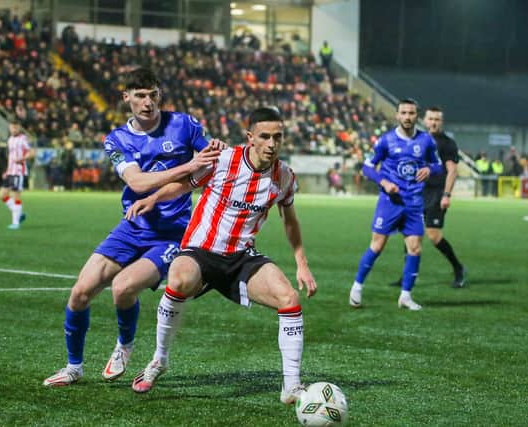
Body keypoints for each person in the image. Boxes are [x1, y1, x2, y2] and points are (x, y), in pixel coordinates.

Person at [43, 67, 224, 387]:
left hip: (174, 232)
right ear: (126, 97)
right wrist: (189, 165)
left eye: (153, 95)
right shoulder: (116, 139)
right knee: (80, 292)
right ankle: (73, 367)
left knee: (123, 288)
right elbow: (137, 181)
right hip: (132, 225)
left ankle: (124, 346)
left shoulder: (184, 124)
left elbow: (212, 159)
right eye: (140, 96)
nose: (148, 102)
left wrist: (214, 150)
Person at [126, 107, 317, 404]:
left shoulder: (284, 177)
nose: (271, 144)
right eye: (264, 137)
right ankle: (158, 360)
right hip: (200, 251)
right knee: (179, 278)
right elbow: (185, 185)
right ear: (250, 137)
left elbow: (289, 220)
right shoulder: (224, 160)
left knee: (289, 298)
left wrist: (301, 264)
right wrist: (152, 198)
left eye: (277, 137)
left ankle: (291, 387)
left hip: (241, 258)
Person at [349, 99, 442, 311]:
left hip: (414, 202)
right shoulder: (386, 141)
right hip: (390, 202)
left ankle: (405, 296)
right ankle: (357, 287)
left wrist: (430, 170)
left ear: (416, 116)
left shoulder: (426, 141)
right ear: (397, 115)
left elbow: (438, 165)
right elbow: (367, 167)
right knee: (377, 245)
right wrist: (384, 182)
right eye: (403, 113)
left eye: (411, 113)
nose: (407, 117)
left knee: (415, 248)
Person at [390, 106, 466, 288]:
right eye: (431, 119)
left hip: (436, 194)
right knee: (410, 233)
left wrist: (446, 195)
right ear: (424, 120)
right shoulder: (417, 140)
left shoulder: (447, 143)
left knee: (433, 236)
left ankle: (458, 268)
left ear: (442, 122)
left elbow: (452, 171)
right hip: (416, 193)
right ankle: (406, 276)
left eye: (437, 119)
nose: (433, 122)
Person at [0, 121, 34, 230]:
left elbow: (32, 152)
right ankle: (19, 213)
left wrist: (22, 159)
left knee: (16, 196)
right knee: (2, 195)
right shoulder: (10, 140)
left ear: (19, 128)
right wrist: (6, 170)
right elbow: (10, 157)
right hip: (10, 171)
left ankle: (15, 223)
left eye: (16, 127)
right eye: (12, 127)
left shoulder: (23, 139)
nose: (14, 129)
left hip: (19, 171)